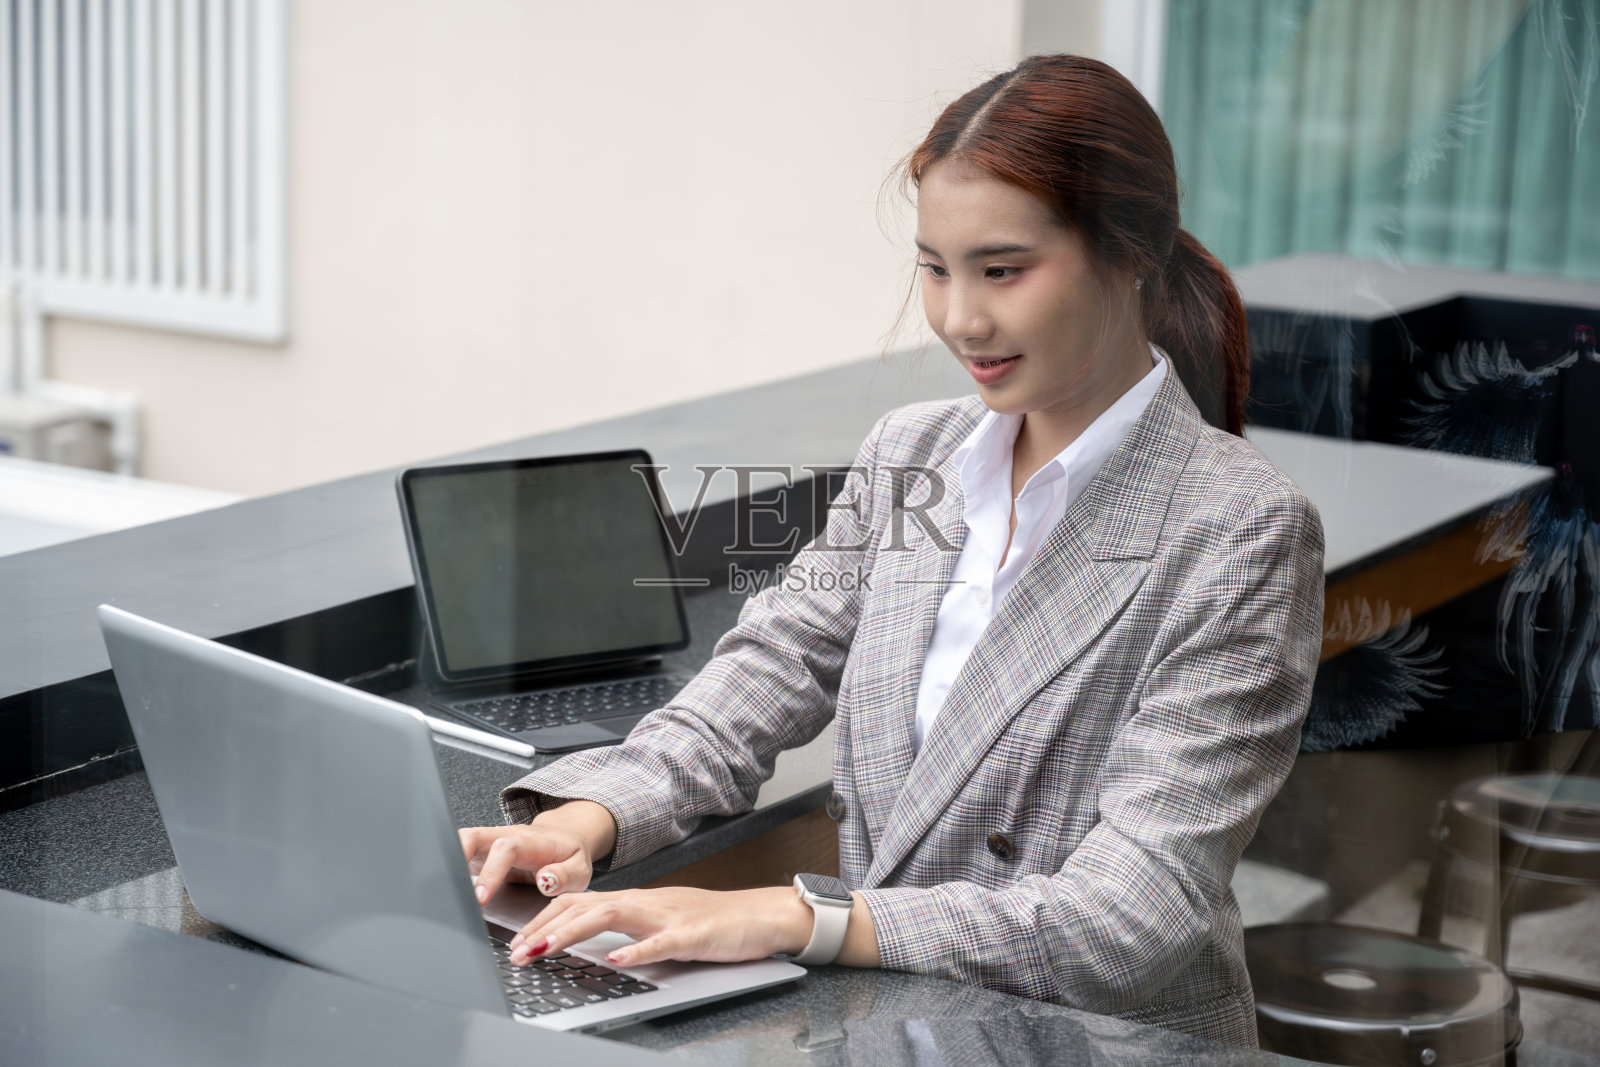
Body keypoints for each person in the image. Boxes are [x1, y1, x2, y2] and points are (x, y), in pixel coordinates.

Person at [459, 53, 1325, 1045]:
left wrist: (799, 914)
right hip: (902, 1021)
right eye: (934, 266)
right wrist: (586, 820)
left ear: (1131, 252)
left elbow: (1133, 915)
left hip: (1096, 1037)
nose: (961, 318)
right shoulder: (912, 450)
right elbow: (771, 666)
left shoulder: (1239, 525)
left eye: (1003, 269)